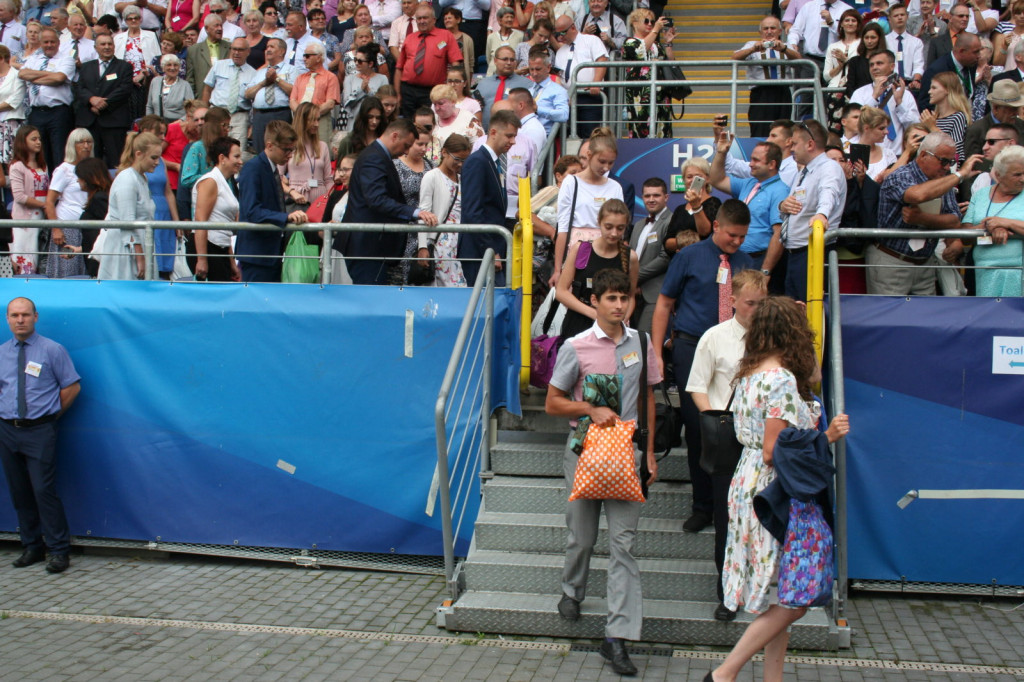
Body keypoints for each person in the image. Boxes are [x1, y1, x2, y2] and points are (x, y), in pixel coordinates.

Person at [707, 297, 849, 682]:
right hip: (777, 491)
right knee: (795, 599)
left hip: (748, 482)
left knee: (779, 595)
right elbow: (774, 450)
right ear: (791, 333)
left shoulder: (751, 374)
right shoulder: (782, 380)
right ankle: (725, 673)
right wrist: (826, 436)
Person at [546, 267, 660, 678]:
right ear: (595, 301)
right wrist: (589, 409)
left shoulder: (641, 343)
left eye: (624, 298)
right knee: (582, 536)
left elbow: (648, 396)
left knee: (624, 545)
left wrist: (648, 453)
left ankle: (617, 637)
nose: (618, 305)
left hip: (627, 456)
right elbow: (553, 403)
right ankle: (571, 590)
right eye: (610, 298)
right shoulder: (575, 347)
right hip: (585, 452)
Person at [651, 199, 754, 535]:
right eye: (732, 236)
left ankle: (730, 504)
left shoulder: (748, 264)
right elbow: (665, 303)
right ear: (717, 226)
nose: (737, 242)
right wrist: (656, 349)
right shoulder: (688, 257)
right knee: (698, 427)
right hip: (692, 347)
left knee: (734, 427)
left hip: (736, 351)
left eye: (742, 237)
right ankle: (702, 505)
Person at [685, 269, 769, 623]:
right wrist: (716, 420)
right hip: (728, 434)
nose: (756, 309)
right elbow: (696, 385)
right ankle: (728, 592)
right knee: (726, 518)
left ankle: (760, 585)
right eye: (750, 303)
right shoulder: (714, 337)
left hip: (767, 439)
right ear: (732, 300)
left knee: (763, 516)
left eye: (762, 304)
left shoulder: (775, 338)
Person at [0, 296, 81, 575]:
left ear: (35, 317)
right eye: (14, 315)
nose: (19, 320)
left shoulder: (51, 350)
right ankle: (32, 546)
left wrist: (50, 416)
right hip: (8, 430)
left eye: (24, 314)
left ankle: (58, 551)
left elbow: (72, 386)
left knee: (43, 490)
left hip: (40, 431)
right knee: (19, 492)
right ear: (7, 319)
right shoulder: (2, 353)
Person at [868, 131, 981, 295]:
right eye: (943, 161)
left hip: (925, 264)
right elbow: (917, 195)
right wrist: (959, 175)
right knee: (890, 318)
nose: (947, 167)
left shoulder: (944, 179)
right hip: (891, 261)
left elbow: (955, 220)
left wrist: (923, 218)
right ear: (923, 155)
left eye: (951, 162)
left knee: (925, 317)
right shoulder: (900, 175)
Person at [342, 118, 437, 283]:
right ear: (394, 136)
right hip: (367, 246)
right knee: (371, 299)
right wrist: (415, 212)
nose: (406, 151)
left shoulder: (378, 156)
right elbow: (376, 199)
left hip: (372, 245)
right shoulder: (374, 158)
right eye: (406, 145)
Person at [776, 119, 848, 302]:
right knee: (794, 311)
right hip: (795, 252)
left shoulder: (829, 168)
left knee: (809, 310)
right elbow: (796, 205)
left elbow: (829, 192)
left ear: (810, 144)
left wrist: (822, 214)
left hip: (812, 252)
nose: (791, 148)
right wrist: (782, 206)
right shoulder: (804, 171)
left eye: (795, 144)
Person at [236, 120, 310, 281]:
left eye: (292, 150)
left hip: (269, 253)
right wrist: (285, 217)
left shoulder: (270, 167)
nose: (290, 155)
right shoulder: (253, 168)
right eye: (286, 150)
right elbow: (252, 211)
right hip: (256, 255)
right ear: (270, 146)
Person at [556, 197, 638, 339]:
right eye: (608, 227)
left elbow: (630, 296)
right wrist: (594, 314)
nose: (614, 233)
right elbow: (561, 291)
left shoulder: (630, 257)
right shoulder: (581, 249)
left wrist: (622, 320)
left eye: (620, 228)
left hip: (612, 327)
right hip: (578, 322)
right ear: (598, 222)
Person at [455, 108, 519, 286]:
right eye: (509, 136)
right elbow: (473, 212)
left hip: (489, 248)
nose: (513, 141)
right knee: (484, 308)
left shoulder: (493, 161)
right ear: (493, 132)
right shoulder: (477, 162)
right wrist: (490, 250)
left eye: (514, 136)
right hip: (480, 251)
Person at [551, 129, 622, 286]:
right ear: (589, 155)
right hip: (577, 250)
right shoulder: (571, 182)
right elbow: (563, 228)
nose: (605, 167)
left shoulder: (615, 187)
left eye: (610, 163)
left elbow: (620, 228)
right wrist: (557, 270)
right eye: (602, 161)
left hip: (607, 249)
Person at [710, 132, 788, 274]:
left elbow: (779, 235)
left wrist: (765, 271)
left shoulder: (780, 191)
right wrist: (721, 153)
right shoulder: (749, 183)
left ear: (772, 164)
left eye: (756, 160)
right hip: (735, 257)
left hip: (757, 259)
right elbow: (716, 180)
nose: (750, 164)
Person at [962, 144, 1024, 296]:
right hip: (983, 270)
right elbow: (964, 234)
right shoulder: (981, 195)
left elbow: (1001, 221)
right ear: (999, 175)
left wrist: (1005, 223)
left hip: (1018, 272)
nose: (1023, 179)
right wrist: (987, 227)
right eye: (1017, 174)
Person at [100, 132, 163, 280]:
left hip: (140, 245)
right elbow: (128, 222)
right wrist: (140, 257)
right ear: (139, 154)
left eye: (159, 157)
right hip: (125, 249)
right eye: (153, 157)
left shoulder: (142, 177)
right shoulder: (127, 179)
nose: (157, 162)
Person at [20, 28, 75, 176]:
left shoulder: (66, 59)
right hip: (37, 113)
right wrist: (49, 75)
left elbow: (59, 78)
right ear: (40, 43)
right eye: (46, 42)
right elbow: (22, 73)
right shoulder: (34, 59)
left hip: (58, 113)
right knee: (39, 154)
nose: (49, 45)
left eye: (52, 41)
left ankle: (59, 191)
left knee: (58, 153)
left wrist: (34, 78)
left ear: (58, 43)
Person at [417, 133, 470, 287]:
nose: (460, 164)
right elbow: (423, 212)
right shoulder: (431, 176)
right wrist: (422, 246)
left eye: (463, 160)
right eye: (457, 159)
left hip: (460, 243)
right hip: (440, 242)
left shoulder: (462, 179)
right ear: (444, 152)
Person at [395, 3, 464, 119]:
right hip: (408, 90)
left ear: (434, 19)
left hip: (434, 91)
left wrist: (452, 88)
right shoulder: (410, 38)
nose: (422, 21)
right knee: (408, 124)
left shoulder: (446, 36)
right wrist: (397, 94)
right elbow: (399, 68)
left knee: (431, 123)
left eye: (425, 18)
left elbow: (455, 63)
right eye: (419, 18)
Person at [75, 33, 134, 168]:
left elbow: (124, 89)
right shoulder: (86, 66)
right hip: (90, 121)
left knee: (116, 162)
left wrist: (103, 103)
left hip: (113, 121)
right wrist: (91, 99)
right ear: (96, 48)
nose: (107, 47)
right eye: (103, 44)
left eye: (109, 44)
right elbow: (79, 88)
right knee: (90, 162)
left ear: (114, 46)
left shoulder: (124, 66)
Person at [734, 14, 796, 139]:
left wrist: (784, 49)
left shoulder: (786, 45)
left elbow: (799, 60)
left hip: (783, 92)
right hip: (761, 93)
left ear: (780, 31)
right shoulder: (752, 44)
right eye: (765, 28)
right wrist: (752, 49)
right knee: (760, 129)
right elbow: (734, 57)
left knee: (784, 130)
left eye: (773, 28)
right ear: (760, 32)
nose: (769, 31)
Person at [133, 116, 180, 278]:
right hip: (149, 214)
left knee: (167, 264)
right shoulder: (138, 161)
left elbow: (168, 191)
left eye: (164, 133)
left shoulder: (159, 161)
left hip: (165, 215)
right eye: (159, 133)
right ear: (145, 132)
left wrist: (176, 222)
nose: (163, 137)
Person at [192, 135, 243, 281]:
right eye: (236, 156)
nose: (240, 161)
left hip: (221, 247)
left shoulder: (224, 182)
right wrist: (202, 259)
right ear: (222, 158)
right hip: (209, 248)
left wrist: (231, 261)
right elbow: (200, 220)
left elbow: (223, 225)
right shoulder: (210, 181)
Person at [44, 128, 93, 278]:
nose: (85, 146)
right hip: (68, 226)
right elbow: (49, 202)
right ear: (72, 145)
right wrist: (56, 229)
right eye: (81, 142)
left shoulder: (92, 167)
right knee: (67, 270)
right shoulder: (64, 170)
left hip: (87, 226)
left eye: (88, 141)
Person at [620, 8, 675, 139]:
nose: (650, 24)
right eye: (646, 21)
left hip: (661, 95)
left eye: (652, 21)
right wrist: (656, 30)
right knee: (642, 130)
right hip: (640, 96)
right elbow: (639, 52)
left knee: (663, 131)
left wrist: (668, 44)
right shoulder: (629, 42)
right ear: (634, 23)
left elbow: (670, 62)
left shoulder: (656, 44)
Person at [551, 14, 607, 138]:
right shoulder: (560, 51)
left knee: (590, 135)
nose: (560, 37)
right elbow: (558, 76)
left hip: (589, 96)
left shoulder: (591, 40)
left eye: (563, 33)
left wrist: (596, 83)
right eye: (557, 34)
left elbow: (602, 60)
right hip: (568, 99)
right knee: (567, 135)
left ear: (572, 27)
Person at [391, 123, 434, 284]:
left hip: (425, 229)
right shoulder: (395, 166)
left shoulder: (430, 166)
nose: (423, 148)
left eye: (426, 145)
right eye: (419, 144)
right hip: (403, 229)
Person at [629, 178, 672, 334]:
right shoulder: (639, 225)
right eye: (647, 196)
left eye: (656, 195)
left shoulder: (671, 221)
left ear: (666, 197)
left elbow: (665, 258)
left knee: (643, 341)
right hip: (633, 294)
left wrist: (634, 277)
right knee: (632, 339)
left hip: (655, 294)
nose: (651, 200)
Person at [204, 37, 256, 153]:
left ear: (248, 51)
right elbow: (207, 89)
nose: (236, 53)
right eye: (234, 49)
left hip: (239, 116)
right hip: (217, 113)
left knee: (237, 152)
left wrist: (251, 125)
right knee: (212, 148)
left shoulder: (253, 74)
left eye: (241, 50)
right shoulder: (219, 65)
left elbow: (254, 103)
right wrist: (205, 111)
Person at [9, 126, 49, 276]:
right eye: (33, 139)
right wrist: (45, 204)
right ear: (23, 142)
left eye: (39, 139)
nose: (38, 142)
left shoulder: (43, 165)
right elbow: (19, 197)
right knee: (26, 255)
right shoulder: (17, 166)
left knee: (40, 254)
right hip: (26, 218)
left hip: (42, 216)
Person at [245, 37, 297, 152]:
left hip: (281, 114)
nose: (267, 50)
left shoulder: (291, 70)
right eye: (267, 47)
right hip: (259, 116)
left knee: (281, 148)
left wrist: (276, 79)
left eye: (272, 47)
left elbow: (294, 91)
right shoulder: (260, 72)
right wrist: (264, 82)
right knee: (260, 150)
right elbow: (248, 94)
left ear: (282, 51)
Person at [180, 105, 231, 215]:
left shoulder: (227, 147)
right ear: (214, 125)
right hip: (205, 209)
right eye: (224, 125)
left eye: (229, 126)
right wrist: (213, 178)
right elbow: (186, 178)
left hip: (225, 211)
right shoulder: (197, 147)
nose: (227, 130)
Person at [289, 37, 340, 143]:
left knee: (320, 150)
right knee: (299, 149)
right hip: (300, 121)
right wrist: (302, 114)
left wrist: (311, 115)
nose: (304, 59)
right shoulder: (300, 78)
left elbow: (330, 103)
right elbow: (292, 100)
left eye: (307, 56)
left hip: (320, 120)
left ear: (318, 57)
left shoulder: (330, 77)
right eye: (304, 56)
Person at [115, 5, 160, 120]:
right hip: (125, 80)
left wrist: (141, 74)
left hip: (144, 78)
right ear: (125, 21)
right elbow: (116, 61)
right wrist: (128, 78)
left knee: (143, 110)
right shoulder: (118, 38)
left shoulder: (150, 35)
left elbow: (156, 57)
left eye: (136, 18)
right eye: (130, 18)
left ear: (140, 19)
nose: (133, 20)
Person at [286, 101, 332, 205]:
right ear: (302, 121)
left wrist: (329, 199)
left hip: (320, 200)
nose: (316, 124)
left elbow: (328, 179)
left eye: (318, 120)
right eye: (312, 120)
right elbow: (278, 178)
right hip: (297, 198)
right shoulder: (290, 146)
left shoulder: (323, 146)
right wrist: (291, 192)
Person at [964, 79, 1024, 159]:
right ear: (995, 108)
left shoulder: (1021, 125)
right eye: (1011, 109)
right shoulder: (976, 130)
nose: (1016, 113)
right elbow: (972, 164)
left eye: (1017, 108)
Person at [475, 45, 531, 129]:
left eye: (512, 60)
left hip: (513, 133)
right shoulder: (483, 84)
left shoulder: (526, 84)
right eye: (505, 59)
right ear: (495, 61)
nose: (509, 63)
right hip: (486, 133)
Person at [921, 71, 973, 161]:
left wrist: (933, 128)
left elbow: (957, 152)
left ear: (947, 90)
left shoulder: (958, 117)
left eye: (934, 88)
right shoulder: (933, 118)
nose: (929, 92)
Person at [75, 157, 113, 275]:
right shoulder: (99, 197)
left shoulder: (99, 199)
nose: (78, 181)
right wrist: (79, 249)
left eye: (79, 178)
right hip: (96, 255)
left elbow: (106, 230)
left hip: (100, 260)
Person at [342, 42, 388, 129]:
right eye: (355, 60)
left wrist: (368, 91)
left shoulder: (383, 79)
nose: (356, 63)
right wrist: (361, 91)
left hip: (375, 125)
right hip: (355, 125)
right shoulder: (349, 79)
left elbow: (383, 104)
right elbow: (347, 103)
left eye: (360, 61)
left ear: (370, 64)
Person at [853, 105, 900, 184]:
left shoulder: (889, 154)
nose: (886, 132)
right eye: (881, 128)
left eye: (886, 128)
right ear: (866, 128)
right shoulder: (849, 153)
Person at [186, 14, 231, 96]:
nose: (220, 29)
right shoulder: (193, 50)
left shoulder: (230, 47)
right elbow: (190, 79)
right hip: (202, 97)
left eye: (221, 26)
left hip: (224, 97)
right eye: (216, 26)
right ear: (206, 29)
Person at [527, 48, 568, 134]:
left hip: (545, 138)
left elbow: (563, 115)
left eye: (538, 69)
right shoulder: (528, 90)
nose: (534, 73)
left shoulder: (558, 90)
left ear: (548, 68)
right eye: (531, 69)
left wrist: (537, 110)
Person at [147, 54, 194, 124]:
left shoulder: (185, 85)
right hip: (157, 125)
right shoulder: (155, 81)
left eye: (175, 65)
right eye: (169, 65)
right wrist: (149, 122)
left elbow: (191, 109)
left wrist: (180, 121)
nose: (172, 68)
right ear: (163, 68)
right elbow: (149, 106)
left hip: (178, 125)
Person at [0, 45, 26, 166]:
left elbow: (14, 100)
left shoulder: (17, 75)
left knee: (11, 161)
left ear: (1, 59)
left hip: (10, 123)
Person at [887, 4, 925, 87]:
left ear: (907, 16)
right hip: (889, 84)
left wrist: (916, 80)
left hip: (910, 84)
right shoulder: (884, 41)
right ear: (890, 19)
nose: (900, 17)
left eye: (902, 15)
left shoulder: (916, 42)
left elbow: (918, 65)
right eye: (896, 15)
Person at [822, 9, 861, 90]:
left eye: (853, 21)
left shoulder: (862, 44)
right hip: (834, 89)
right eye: (847, 20)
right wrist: (840, 66)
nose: (850, 23)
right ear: (842, 24)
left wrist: (846, 60)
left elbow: (863, 71)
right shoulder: (833, 47)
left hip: (856, 88)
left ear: (858, 24)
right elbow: (826, 76)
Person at [485, 7, 524, 75]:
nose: (510, 19)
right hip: (493, 75)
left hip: (512, 75)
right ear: (499, 20)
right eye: (507, 17)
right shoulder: (491, 37)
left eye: (512, 17)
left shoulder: (520, 36)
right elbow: (489, 58)